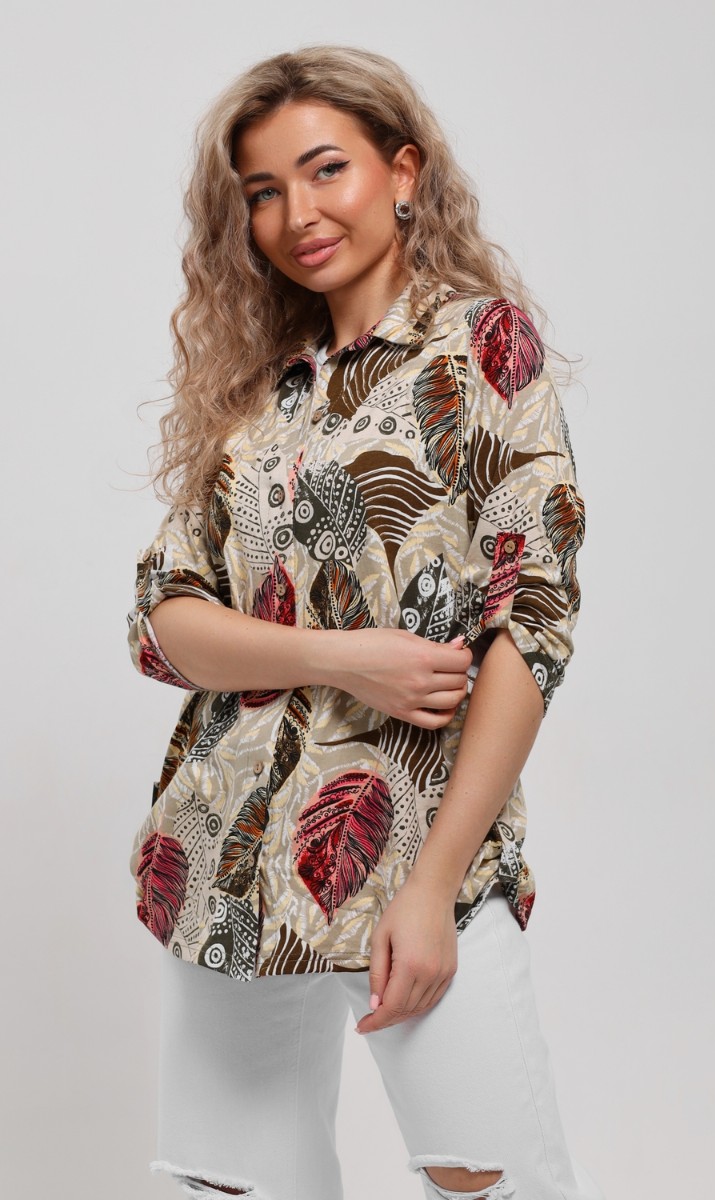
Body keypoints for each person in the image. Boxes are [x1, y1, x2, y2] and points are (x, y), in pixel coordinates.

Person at [127, 44, 603, 1200]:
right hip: (227, 860)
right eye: (262, 191)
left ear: (402, 171)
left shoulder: (480, 347)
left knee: (489, 1181)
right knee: (234, 1192)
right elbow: (161, 617)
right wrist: (340, 658)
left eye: (324, 169)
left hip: (411, 848)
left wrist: (434, 887)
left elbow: (532, 620)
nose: (297, 213)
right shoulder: (258, 388)